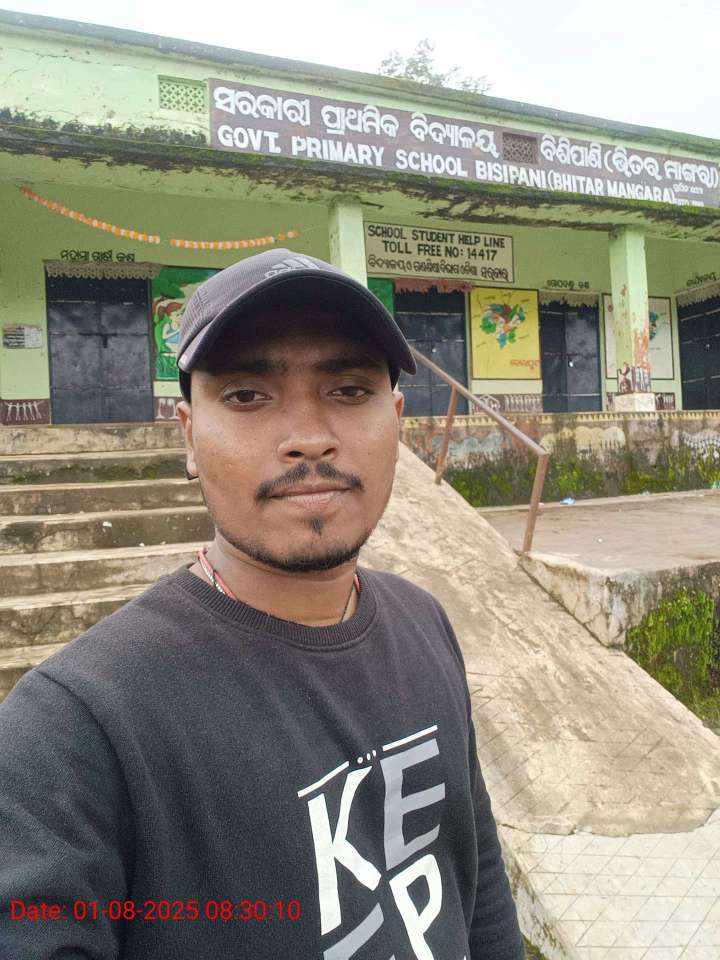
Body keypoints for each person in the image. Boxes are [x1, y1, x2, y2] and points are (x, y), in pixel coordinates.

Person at [0, 249, 524, 960]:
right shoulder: (74, 728)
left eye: (349, 389)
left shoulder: (425, 622)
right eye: (248, 395)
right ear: (188, 434)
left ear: (397, 420)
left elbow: (477, 881)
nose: (309, 438)